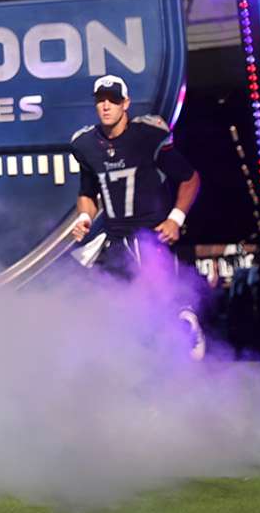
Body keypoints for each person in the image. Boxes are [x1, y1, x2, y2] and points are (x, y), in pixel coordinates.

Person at [67, 75, 205, 354]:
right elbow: (88, 193)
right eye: (101, 100)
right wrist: (84, 219)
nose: (106, 106)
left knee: (165, 309)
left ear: (125, 104)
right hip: (113, 241)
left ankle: (185, 336)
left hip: (150, 237)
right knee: (111, 319)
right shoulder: (86, 145)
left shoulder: (147, 136)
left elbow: (190, 178)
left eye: (113, 100)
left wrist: (175, 219)